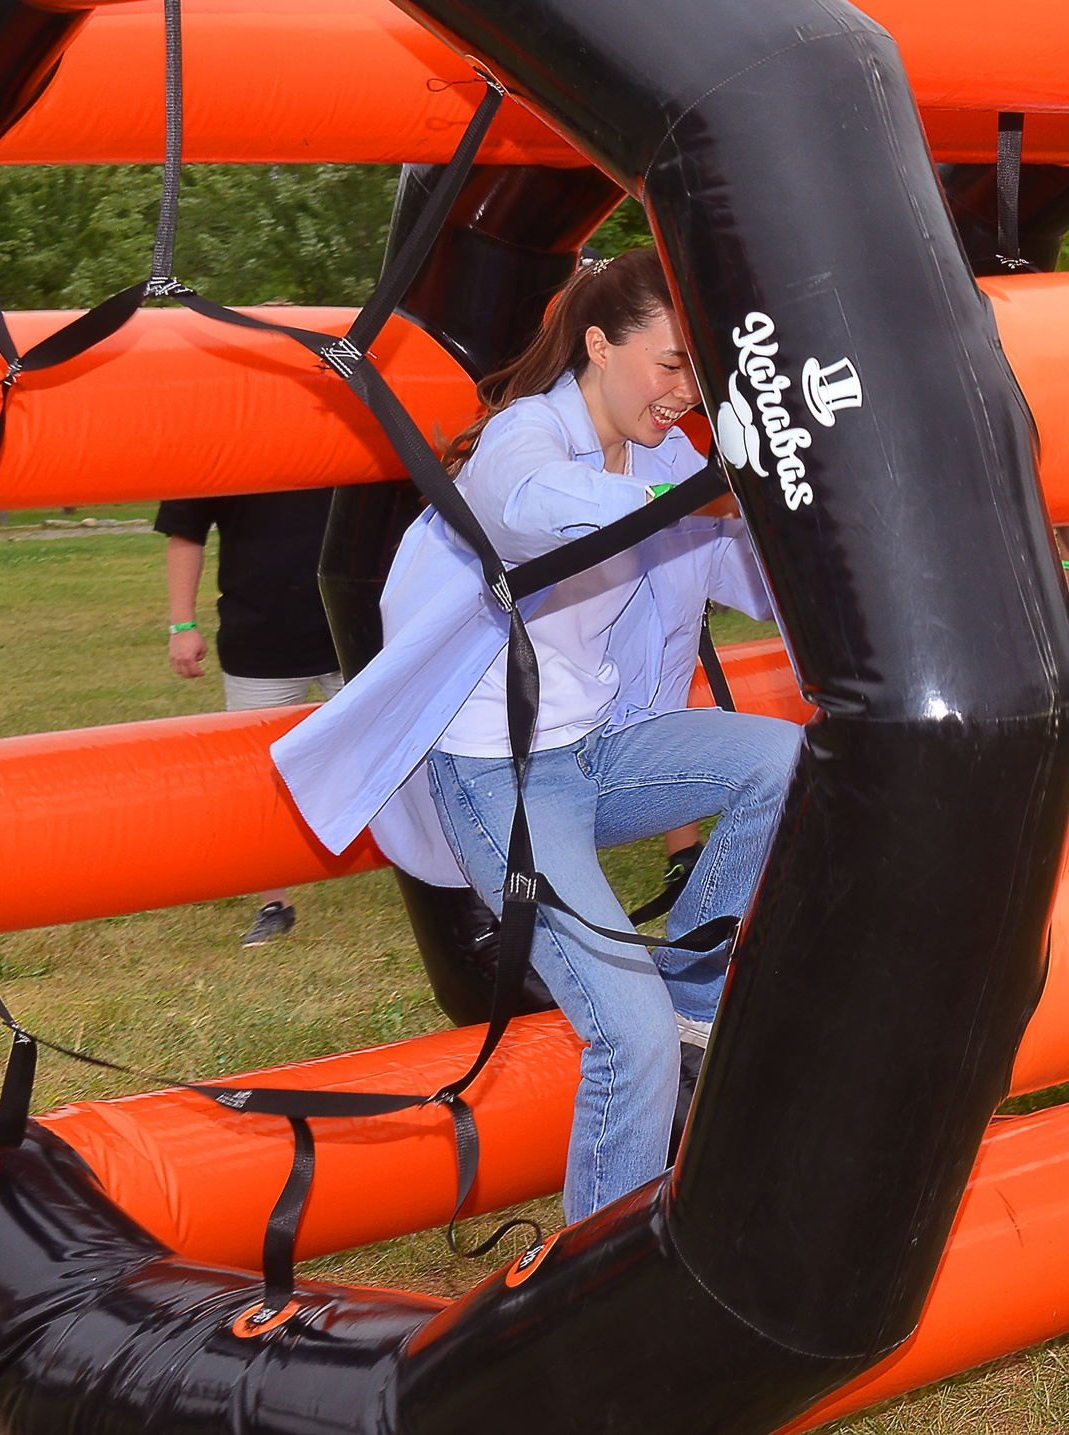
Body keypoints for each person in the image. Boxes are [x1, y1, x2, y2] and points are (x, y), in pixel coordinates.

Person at [272, 251, 801, 1223]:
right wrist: (700, 497)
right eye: (671, 364)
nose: (686, 393)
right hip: (498, 774)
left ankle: (693, 992)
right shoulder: (525, 436)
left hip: (598, 749)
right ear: (598, 344)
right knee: (628, 1036)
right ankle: (602, 1260)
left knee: (782, 761)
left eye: (698, 374)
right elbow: (526, 516)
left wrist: (806, 524)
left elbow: (756, 578)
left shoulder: (662, 458)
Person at [155, 488, 342, 947]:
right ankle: (274, 902)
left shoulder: (357, 440)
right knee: (259, 779)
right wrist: (182, 625)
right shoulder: (211, 451)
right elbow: (185, 532)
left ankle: (440, 887)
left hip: (356, 628)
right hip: (260, 639)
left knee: (402, 760)